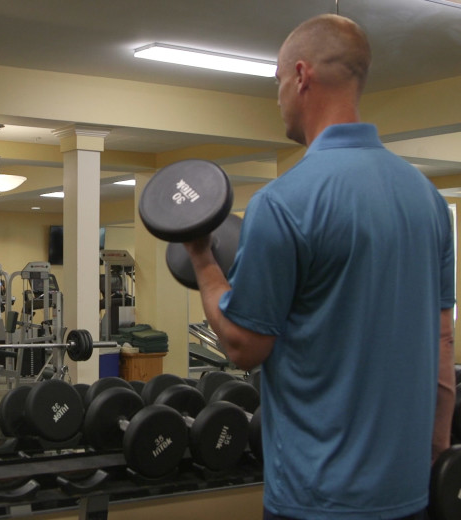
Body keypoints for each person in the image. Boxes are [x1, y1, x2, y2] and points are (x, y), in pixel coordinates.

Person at [184, 14, 456, 520]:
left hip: (317, 499)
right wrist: (436, 451)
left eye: (278, 83)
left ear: (302, 76)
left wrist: (201, 257)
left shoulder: (283, 202)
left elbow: (244, 346)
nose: (279, 98)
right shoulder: (428, 200)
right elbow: (443, 341)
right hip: (409, 492)